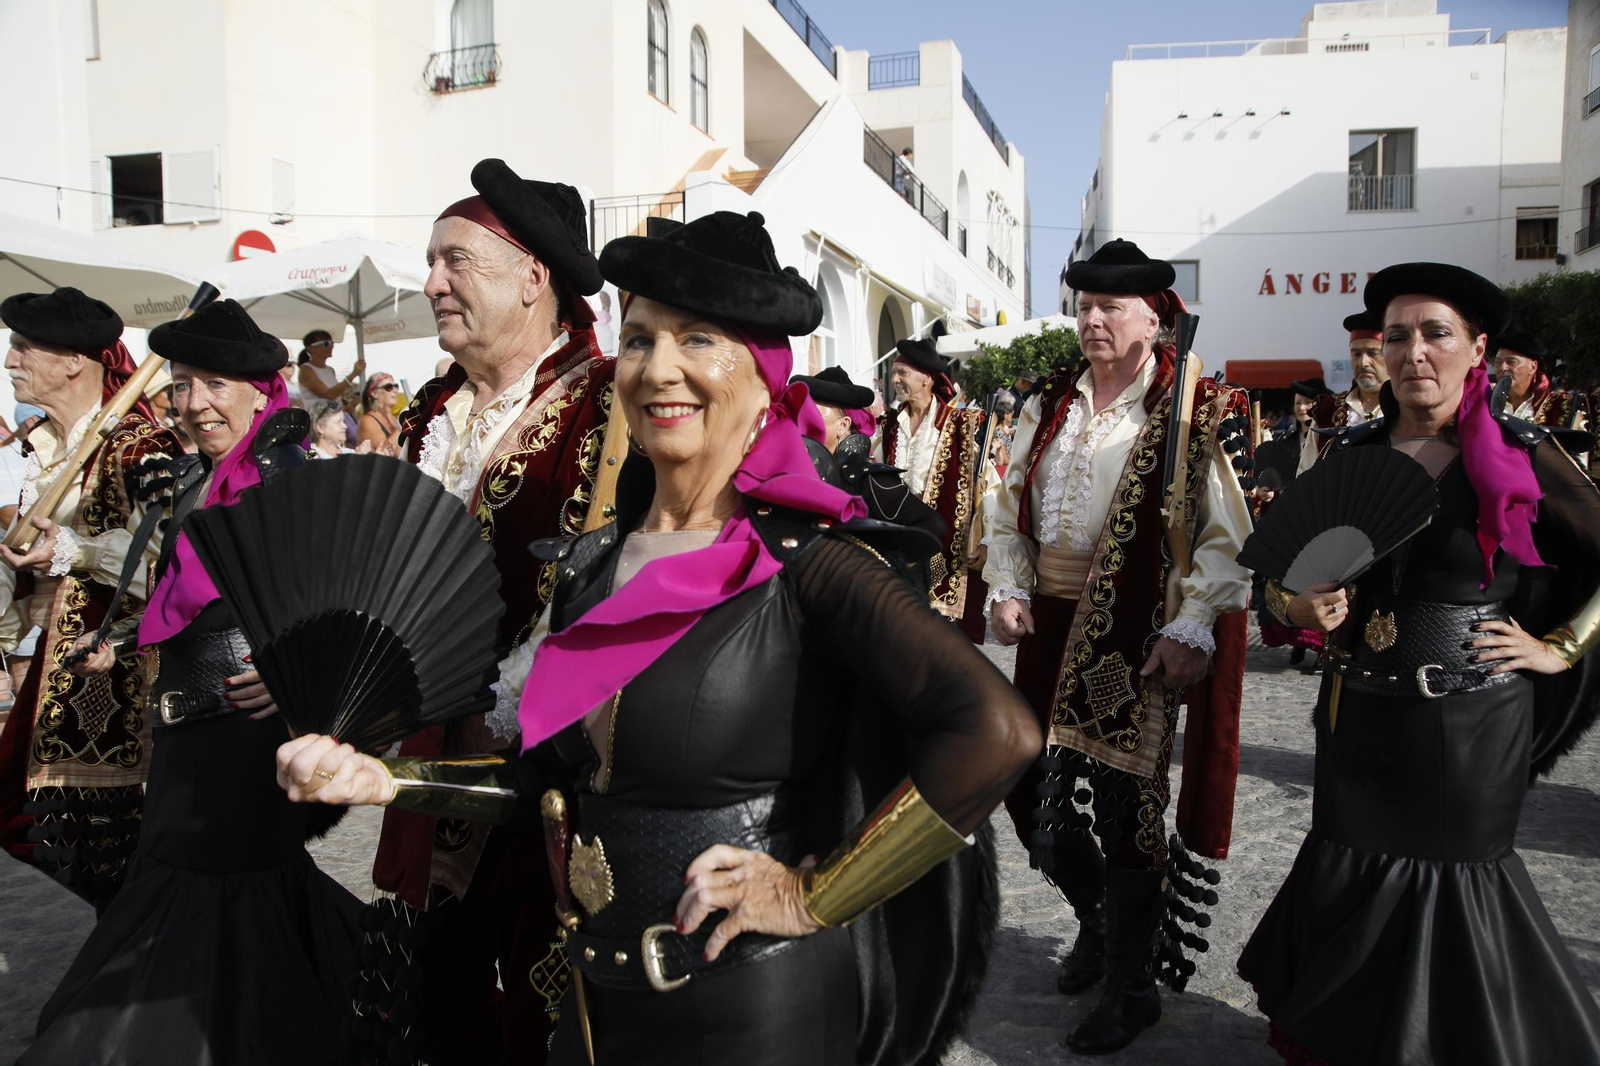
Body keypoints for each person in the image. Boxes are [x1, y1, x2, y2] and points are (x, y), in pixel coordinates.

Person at [277, 208, 1041, 1065]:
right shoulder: (591, 566)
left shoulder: (813, 565)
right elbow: (541, 783)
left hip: (757, 1008)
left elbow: (997, 728)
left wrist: (813, 896)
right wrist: (386, 780)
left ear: (763, 376)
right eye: (638, 339)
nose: (658, 368)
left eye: (699, 340)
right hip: (599, 1007)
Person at [1241, 262, 1600, 1064]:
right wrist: (1298, 608)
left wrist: (1560, 646)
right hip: (1358, 716)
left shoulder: (1522, 453)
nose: (1414, 353)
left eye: (1437, 334)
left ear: (1479, 350)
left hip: (1471, 721)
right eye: (1398, 335)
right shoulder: (1351, 451)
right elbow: (1277, 580)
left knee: (1455, 889)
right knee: (1348, 877)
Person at [24, 298, 360, 1065]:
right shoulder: (185, 479)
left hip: (247, 733)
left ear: (257, 389)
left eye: (213, 384)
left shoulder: (289, 478)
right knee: (178, 872)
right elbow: (170, 593)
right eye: (181, 384)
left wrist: (292, 673)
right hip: (180, 730)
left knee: (229, 880)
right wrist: (119, 644)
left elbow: (342, 595)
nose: (195, 402)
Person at [368, 158, 618, 1065]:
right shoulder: (434, 405)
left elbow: (611, 582)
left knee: (542, 988)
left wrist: (512, 705)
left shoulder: (608, 402)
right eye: (430, 262)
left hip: (548, 762)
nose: (431, 282)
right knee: (436, 973)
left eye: (454, 261)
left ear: (532, 278)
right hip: (430, 751)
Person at [983, 239, 1254, 1055]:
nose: (1092, 320)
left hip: (1134, 630)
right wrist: (1007, 583)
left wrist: (1193, 621)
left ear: (1152, 317)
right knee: (1026, 787)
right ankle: (1096, 920)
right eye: (1084, 306)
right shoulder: (1050, 402)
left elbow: (1225, 532)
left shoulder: (1191, 405)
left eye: (1111, 308)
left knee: (1128, 807)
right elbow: (1006, 503)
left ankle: (1132, 985)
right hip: (1048, 623)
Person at [0, 287, 183, 913]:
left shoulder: (140, 445)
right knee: (34, 825)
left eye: (24, 347)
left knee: (103, 847)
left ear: (77, 361)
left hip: (119, 681)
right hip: (59, 671)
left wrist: (76, 550)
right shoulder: (47, 445)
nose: (9, 360)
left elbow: (174, 570)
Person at [874, 337, 983, 632]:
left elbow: (987, 489)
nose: (895, 379)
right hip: (898, 543)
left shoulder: (959, 424)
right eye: (894, 372)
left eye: (902, 373)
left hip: (942, 544)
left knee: (937, 631)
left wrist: (982, 541)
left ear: (927, 379)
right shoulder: (889, 427)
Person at [791, 364, 946, 548]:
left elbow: (933, 525)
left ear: (843, 425)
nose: (804, 421)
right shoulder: (805, 470)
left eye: (814, 415)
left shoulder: (869, 478)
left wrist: (878, 565)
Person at [1311, 310, 1387, 449]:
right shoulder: (1329, 407)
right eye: (1356, 354)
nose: (1363, 363)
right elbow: (1307, 467)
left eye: (1373, 353)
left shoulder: (1407, 408)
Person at [1288, 377, 1331, 474]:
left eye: (1308, 402)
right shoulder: (1286, 440)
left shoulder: (1329, 438)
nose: (1302, 408)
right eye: (1298, 403)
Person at [356, 372, 403, 456]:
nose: (395, 390)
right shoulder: (368, 421)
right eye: (389, 387)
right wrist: (403, 423)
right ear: (374, 393)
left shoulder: (394, 419)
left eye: (396, 386)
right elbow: (384, 451)